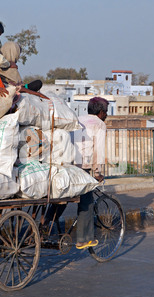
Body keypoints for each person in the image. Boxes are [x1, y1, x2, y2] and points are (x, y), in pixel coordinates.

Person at [41, 97, 108, 250]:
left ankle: (45, 224)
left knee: (63, 197)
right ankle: (84, 239)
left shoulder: (78, 119)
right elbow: (98, 150)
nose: (106, 115)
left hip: (66, 163)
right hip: (82, 168)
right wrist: (97, 172)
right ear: (101, 112)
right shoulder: (99, 124)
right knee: (87, 202)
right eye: (105, 112)